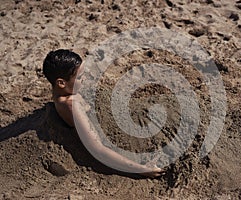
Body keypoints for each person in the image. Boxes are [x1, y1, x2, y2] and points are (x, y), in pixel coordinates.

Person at [43, 49, 164, 178]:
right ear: (61, 83)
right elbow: (98, 149)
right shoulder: (71, 105)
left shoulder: (63, 94)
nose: (84, 79)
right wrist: (142, 169)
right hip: (117, 149)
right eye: (79, 77)